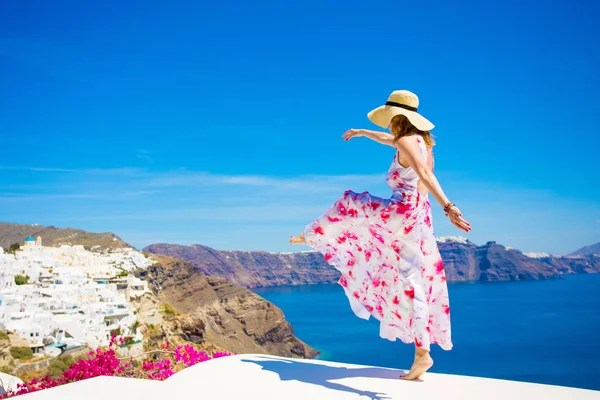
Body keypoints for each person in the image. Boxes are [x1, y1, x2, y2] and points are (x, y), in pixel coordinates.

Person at [289, 90, 471, 380]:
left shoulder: (404, 141)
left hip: (401, 211)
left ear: (397, 118)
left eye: (389, 119)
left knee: (349, 202)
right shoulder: (421, 142)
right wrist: (363, 132)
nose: (387, 125)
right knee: (413, 281)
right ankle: (422, 354)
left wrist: (449, 206)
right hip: (418, 218)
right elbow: (393, 144)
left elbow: (424, 173)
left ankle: (311, 235)